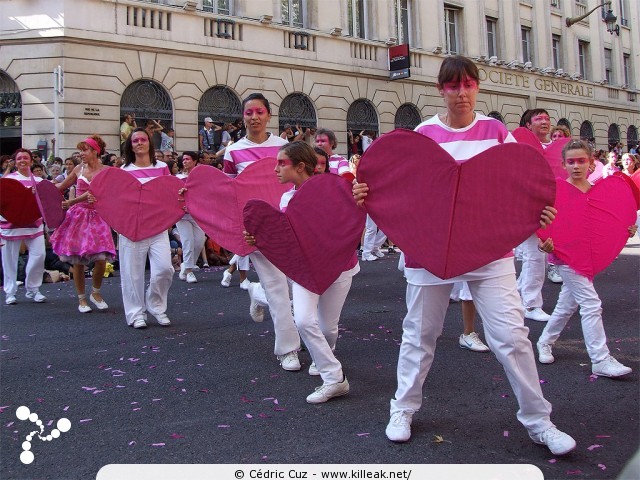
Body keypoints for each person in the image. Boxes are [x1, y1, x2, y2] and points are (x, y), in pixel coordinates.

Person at [353, 55, 575, 455]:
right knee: (419, 335)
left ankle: (539, 420)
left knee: (511, 337)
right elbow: (400, 187)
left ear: (477, 87)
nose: (461, 93)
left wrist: (539, 214)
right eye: (453, 86)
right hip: (429, 252)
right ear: (441, 89)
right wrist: (368, 195)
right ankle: (402, 408)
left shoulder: (495, 131)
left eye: (468, 85)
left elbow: (519, 183)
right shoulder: (423, 133)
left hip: (488, 250)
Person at [245, 141, 356, 402]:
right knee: (305, 320)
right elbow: (285, 235)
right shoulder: (287, 198)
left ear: (300, 166)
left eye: (282, 163)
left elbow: (351, 218)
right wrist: (257, 238)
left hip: (340, 268)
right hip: (307, 271)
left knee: (328, 329)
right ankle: (334, 377)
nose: (276, 169)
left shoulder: (334, 188)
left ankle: (323, 360)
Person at [536, 139, 636, 378]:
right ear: (563, 164)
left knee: (565, 306)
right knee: (591, 304)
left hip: (588, 258)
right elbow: (542, 222)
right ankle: (600, 359)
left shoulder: (597, 192)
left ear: (592, 163)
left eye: (582, 161)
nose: (576, 166)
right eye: (571, 162)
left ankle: (544, 342)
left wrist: (626, 229)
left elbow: (610, 219)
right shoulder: (556, 191)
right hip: (567, 258)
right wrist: (544, 243)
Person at [224, 92, 301, 371]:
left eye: (259, 112)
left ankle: (256, 293)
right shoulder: (233, 152)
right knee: (278, 288)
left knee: (294, 285)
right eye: (248, 113)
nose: (254, 117)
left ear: (269, 115)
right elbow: (230, 193)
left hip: (288, 225)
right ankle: (288, 348)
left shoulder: (286, 147)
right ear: (242, 117)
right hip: (256, 229)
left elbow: (299, 184)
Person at [50, 136, 116, 313]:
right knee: (78, 260)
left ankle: (96, 292)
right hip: (78, 217)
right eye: (80, 150)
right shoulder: (78, 169)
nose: (81, 153)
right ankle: (82, 299)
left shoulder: (108, 170)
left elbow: (114, 193)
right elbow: (60, 187)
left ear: (96, 151)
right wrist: (39, 187)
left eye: (85, 149)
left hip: (99, 216)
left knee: (101, 259)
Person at [119, 127, 174, 329]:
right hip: (132, 229)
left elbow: (170, 194)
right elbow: (117, 201)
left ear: (150, 143)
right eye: (135, 141)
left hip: (158, 228)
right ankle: (136, 314)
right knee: (132, 274)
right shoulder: (123, 172)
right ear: (130, 146)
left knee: (164, 269)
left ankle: (156, 306)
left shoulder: (162, 167)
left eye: (143, 139)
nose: (140, 143)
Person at [516, 108, 554, 322]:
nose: (544, 121)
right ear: (528, 125)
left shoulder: (557, 148)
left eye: (547, 118)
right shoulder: (522, 146)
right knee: (535, 255)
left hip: (553, 208)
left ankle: (520, 292)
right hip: (530, 207)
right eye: (539, 118)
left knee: (541, 256)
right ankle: (530, 305)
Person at [1, 149, 46, 305]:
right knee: (9, 259)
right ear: (15, 161)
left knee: (39, 255)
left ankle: (33, 288)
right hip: (10, 224)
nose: (22, 161)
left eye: (25, 158)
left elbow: (46, 204)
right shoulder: (8, 179)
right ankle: (10, 291)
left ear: (31, 161)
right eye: (19, 158)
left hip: (34, 223)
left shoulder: (39, 181)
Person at [175, 151, 206, 284]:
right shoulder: (177, 177)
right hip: (182, 215)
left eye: (188, 159)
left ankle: (186, 265)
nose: (185, 161)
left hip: (197, 215)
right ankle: (189, 271)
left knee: (199, 242)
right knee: (188, 241)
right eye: (183, 159)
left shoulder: (200, 177)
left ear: (194, 161)